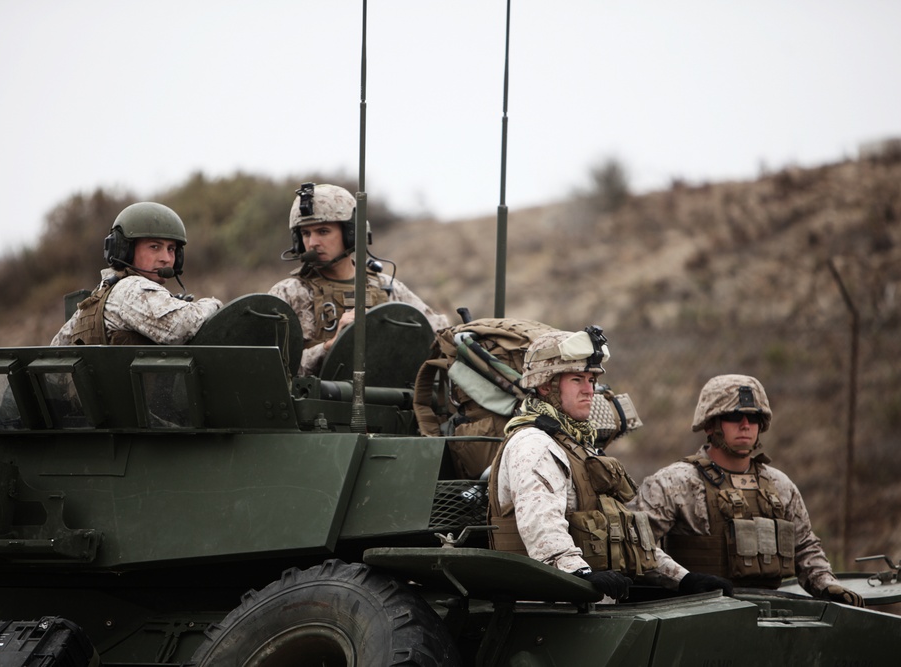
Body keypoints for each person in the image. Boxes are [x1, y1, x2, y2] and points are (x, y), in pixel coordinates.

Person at [487, 328, 730, 601]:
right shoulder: (533, 443)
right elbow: (541, 525)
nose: (589, 390)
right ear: (546, 386)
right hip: (543, 604)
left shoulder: (578, 444)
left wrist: (682, 579)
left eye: (591, 380)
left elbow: (622, 532)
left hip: (581, 599)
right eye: (577, 380)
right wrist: (579, 573)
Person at [630, 374, 865, 606]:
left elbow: (804, 547)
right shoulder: (675, 482)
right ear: (710, 425)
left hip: (768, 615)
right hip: (696, 614)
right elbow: (635, 543)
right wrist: (684, 580)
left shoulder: (779, 485)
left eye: (753, 417)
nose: (745, 425)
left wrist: (826, 585)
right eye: (734, 416)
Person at [268, 183, 449, 376]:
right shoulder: (289, 293)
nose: (312, 243)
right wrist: (329, 347)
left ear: (351, 234)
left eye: (323, 231)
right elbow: (268, 369)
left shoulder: (388, 288)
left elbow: (440, 339)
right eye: (305, 233)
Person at [52, 202, 223, 346]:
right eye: (154, 247)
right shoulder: (132, 288)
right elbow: (179, 328)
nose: (166, 258)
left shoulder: (101, 294)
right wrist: (213, 304)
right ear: (125, 250)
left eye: (171, 249)